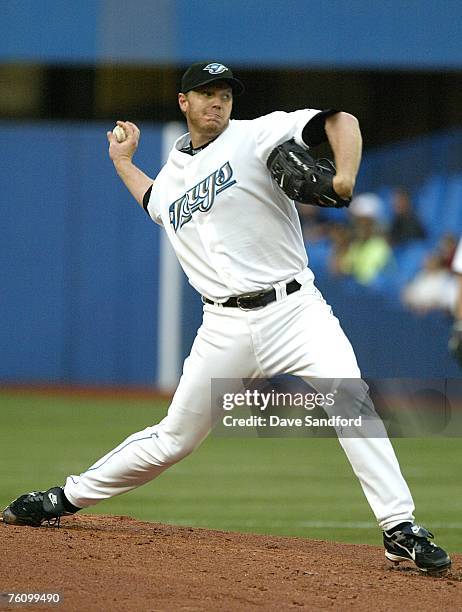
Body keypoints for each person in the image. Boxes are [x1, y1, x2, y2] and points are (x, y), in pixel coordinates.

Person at [3, 61, 450, 574]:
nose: (217, 102)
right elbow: (155, 203)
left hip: (295, 311)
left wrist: (344, 178)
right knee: (175, 438)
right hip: (224, 328)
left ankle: (399, 528)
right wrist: (123, 162)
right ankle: (66, 498)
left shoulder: (258, 135)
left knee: (352, 402)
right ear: (183, 103)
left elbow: (341, 120)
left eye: (225, 94)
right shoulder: (173, 175)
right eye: (205, 93)